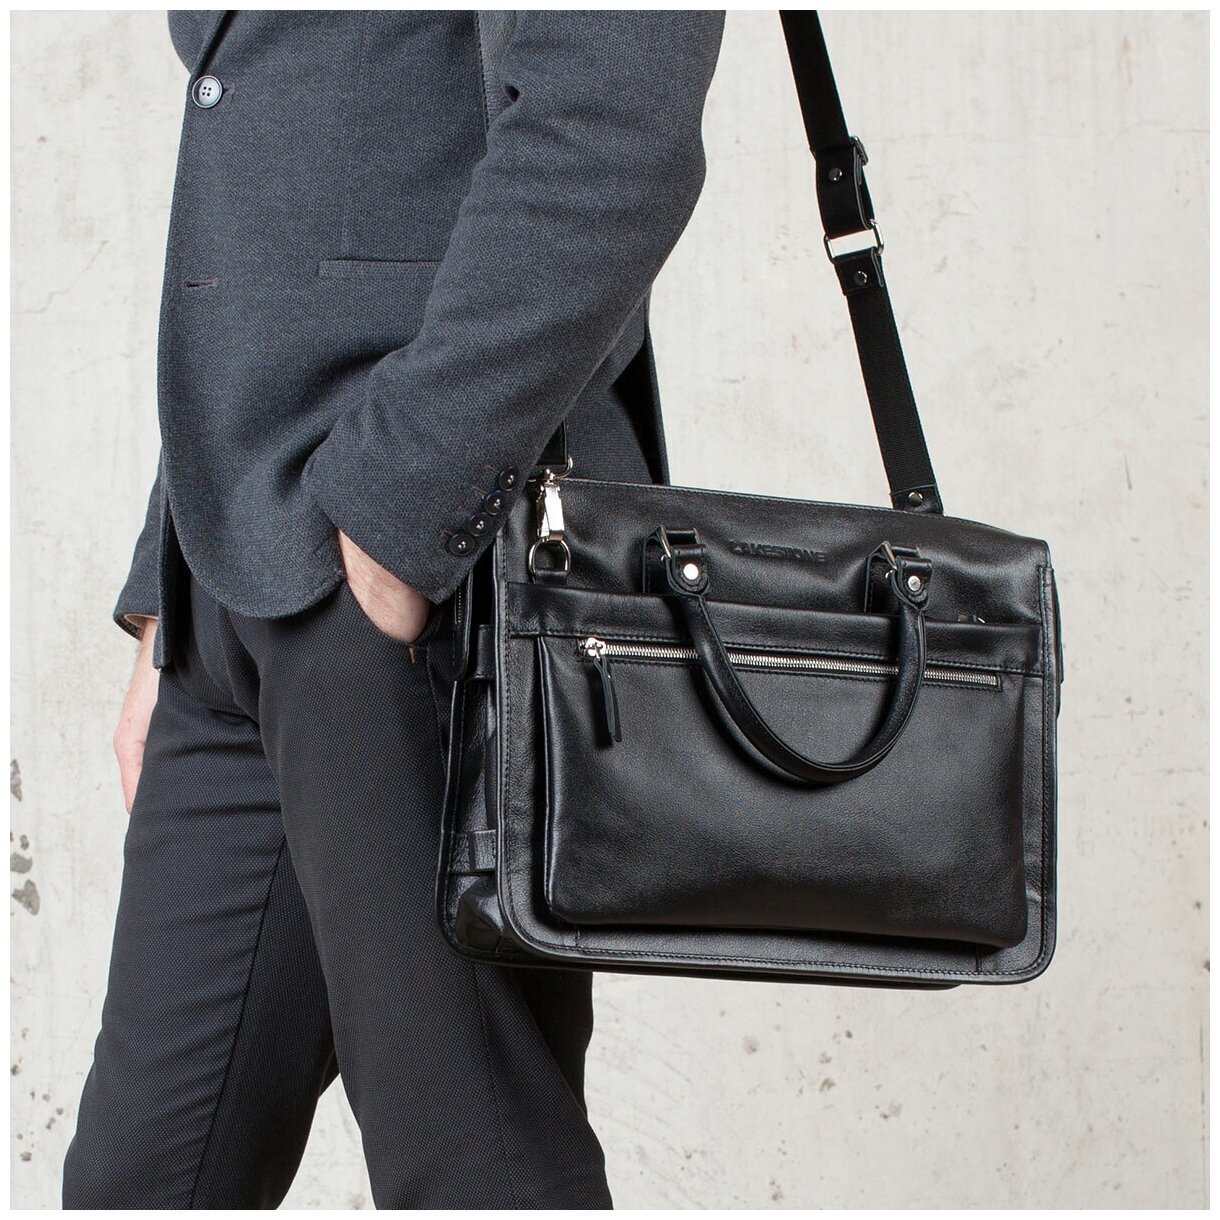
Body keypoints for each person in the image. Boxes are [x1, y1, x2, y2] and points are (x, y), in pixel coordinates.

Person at [62, 10, 724, 1209]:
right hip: (236, 574)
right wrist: (166, 585)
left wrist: (401, 522)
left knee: (474, 1162)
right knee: (143, 1176)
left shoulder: (407, 544)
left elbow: (613, 123)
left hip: (433, 571)